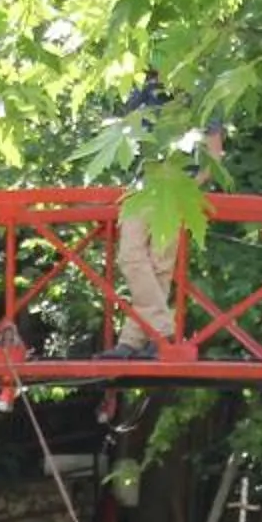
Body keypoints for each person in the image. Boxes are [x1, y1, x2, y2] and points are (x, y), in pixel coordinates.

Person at [107, 69, 224, 360]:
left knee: (159, 265)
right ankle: (162, 330)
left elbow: (214, 152)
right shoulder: (138, 89)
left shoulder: (201, 89)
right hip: (142, 188)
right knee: (131, 256)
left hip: (175, 188)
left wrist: (188, 187)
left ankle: (133, 341)